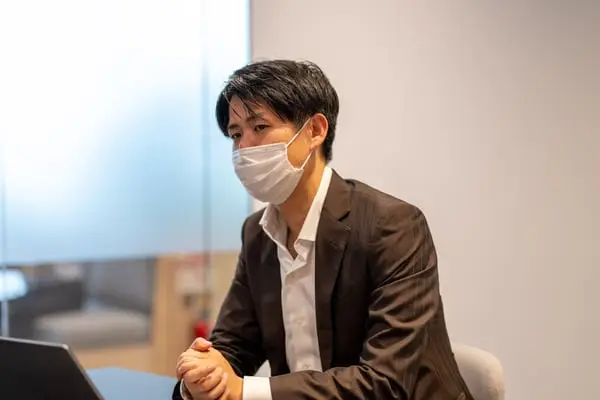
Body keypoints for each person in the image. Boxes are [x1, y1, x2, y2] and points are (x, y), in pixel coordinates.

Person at [173, 59, 473, 400]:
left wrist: (244, 390)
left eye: (260, 127)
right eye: (236, 134)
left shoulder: (393, 226)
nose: (244, 148)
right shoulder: (257, 234)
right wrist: (203, 374)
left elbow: (385, 383)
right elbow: (234, 343)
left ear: (315, 130)